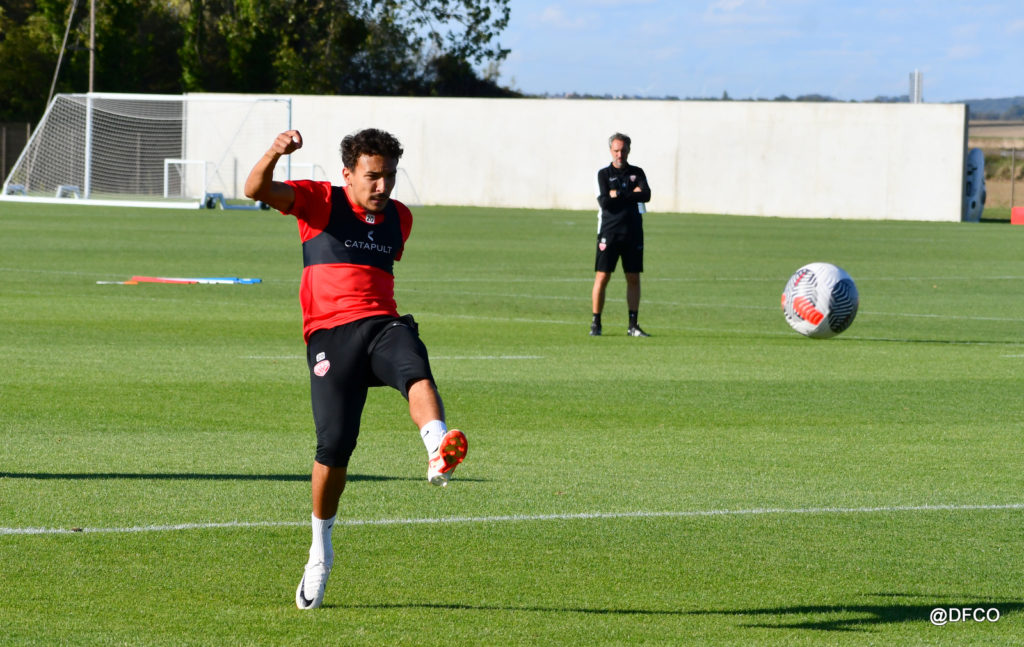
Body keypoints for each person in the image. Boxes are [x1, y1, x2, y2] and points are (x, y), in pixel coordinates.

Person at [244, 128, 468, 610]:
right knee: (334, 447)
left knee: (414, 365)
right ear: (347, 174)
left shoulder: (400, 218)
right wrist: (275, 152)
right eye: (372, 176)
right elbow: (254, 189)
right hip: (330, 336)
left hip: (382, 326)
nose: (383, 186)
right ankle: (319, 552)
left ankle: (437, 447)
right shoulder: (320, 201)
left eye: (390, 176)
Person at [591, 132, 651, 337]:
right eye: (616, 150)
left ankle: (633, 325)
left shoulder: (637, 172)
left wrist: (618, 193)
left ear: (628, 150)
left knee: (633, 277)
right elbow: (605, 201)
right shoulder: (603, 174)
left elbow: (646, 194)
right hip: (609, 232)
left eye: (623, 150)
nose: (620, 154)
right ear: (610, 151)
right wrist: (631, 194)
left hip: (633, 232)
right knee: (603, 275)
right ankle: (596, 323)